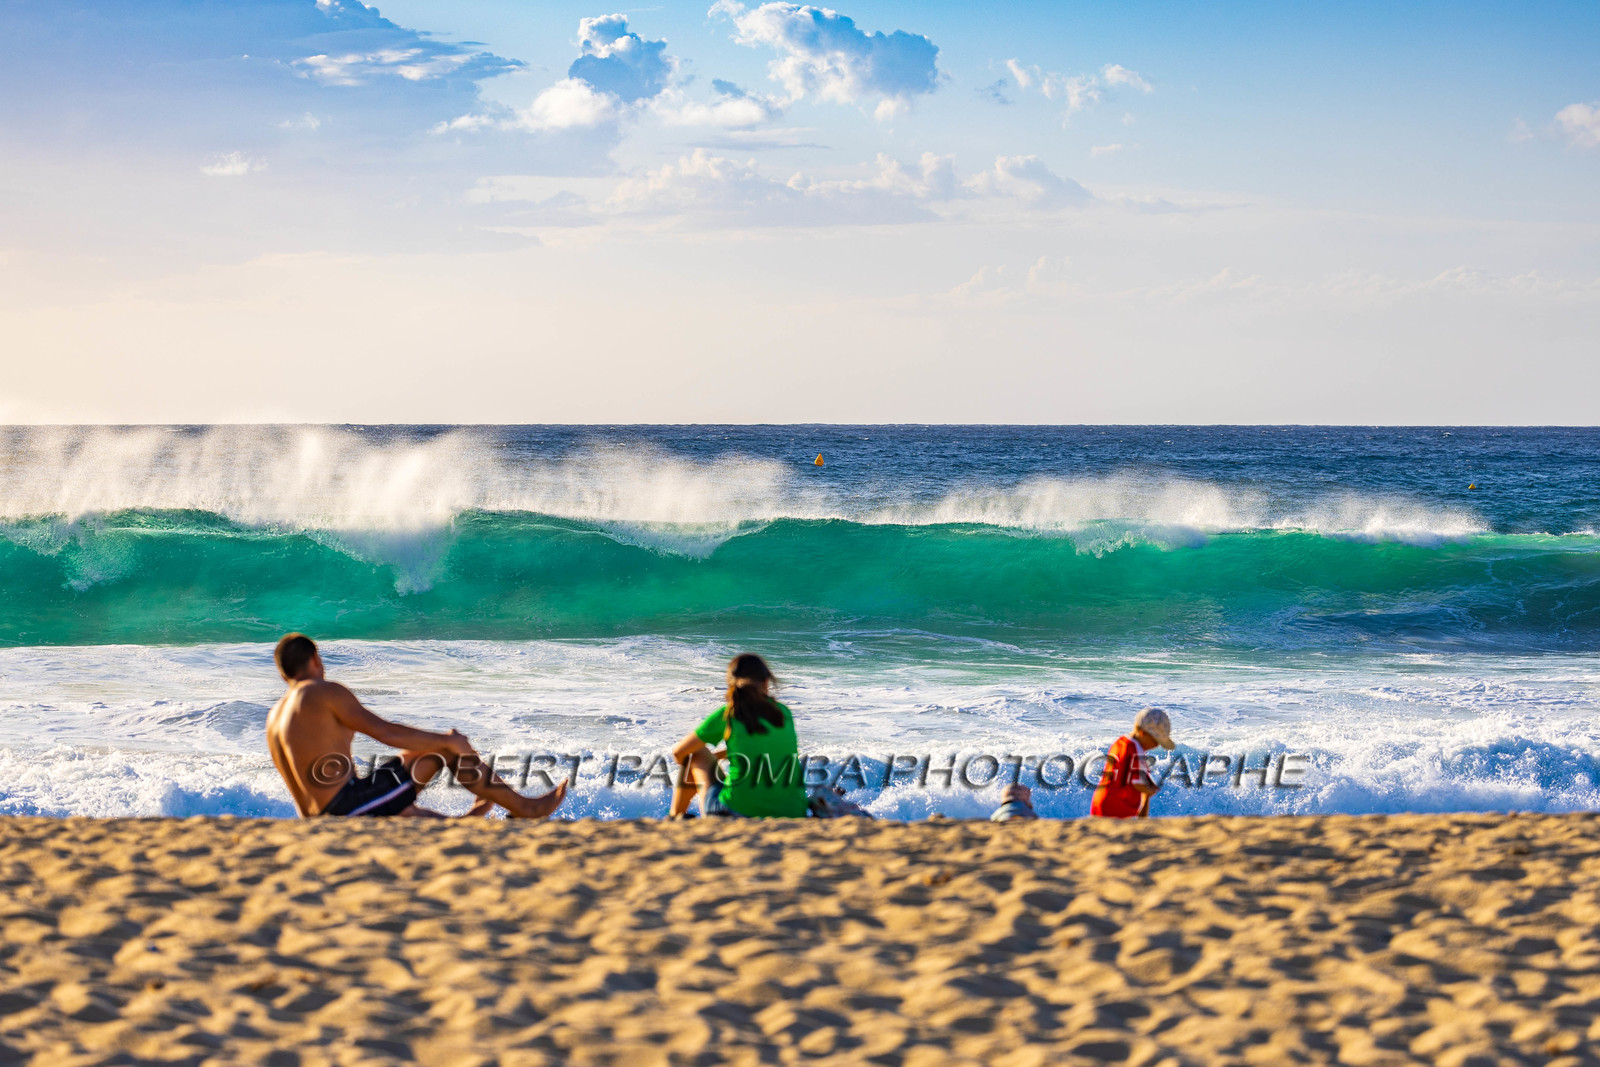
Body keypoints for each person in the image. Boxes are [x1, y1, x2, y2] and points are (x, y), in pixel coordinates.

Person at [266, 633, 567, 819]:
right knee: (444, 752)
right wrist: (448, 740)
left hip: (319, 817)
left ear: (283, 674)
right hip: (345, 809)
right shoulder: (321, 692)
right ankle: (526, 809)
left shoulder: (275, 716)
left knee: (404, 808)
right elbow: (385, 732)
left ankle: (468, 821)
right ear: (316, 659)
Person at [668, 653, 809, 819]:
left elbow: (679, 753)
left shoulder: (729, 714)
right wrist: (720, 757)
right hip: (792, 812)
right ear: (766, 682)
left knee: (693, 754)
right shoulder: (783, 712)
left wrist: (707, 762)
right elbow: (759, 747)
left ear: (731, 684)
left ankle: (675, 817)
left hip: (736, 810)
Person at [1090, 706, 1176, 818]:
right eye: (1156, 740)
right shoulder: (1136, 749)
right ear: (1142, 732)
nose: (1157, 745)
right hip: (1116, 806)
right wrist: (1148, 790)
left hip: (1101, 799)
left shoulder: (1120, 742)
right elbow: (1138, 784)